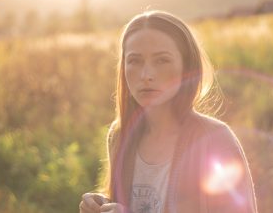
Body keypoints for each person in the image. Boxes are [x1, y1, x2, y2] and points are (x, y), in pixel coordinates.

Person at [79, 11, 257, 213]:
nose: (146, 75)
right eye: (135, 61)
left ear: (187, 67)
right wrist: (102, 204)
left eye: (162, 60)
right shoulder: (120, 135)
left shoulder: (214, 139)